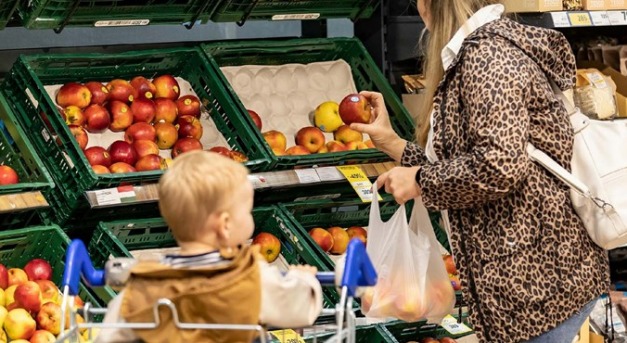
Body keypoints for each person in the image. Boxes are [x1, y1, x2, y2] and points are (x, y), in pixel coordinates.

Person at [351, 0, 610, 342]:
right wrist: (393, 144)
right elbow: (471, 166)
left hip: (536, 286)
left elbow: (499, 165)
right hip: (535, 278)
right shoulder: (481, 51)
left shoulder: (486, 57)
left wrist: (417, 181)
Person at [95, 151, 323, 343]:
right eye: (246, 211)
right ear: (225, 225)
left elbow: (111, 334)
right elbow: (300, 309)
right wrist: (304, 280)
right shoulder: (248, 276)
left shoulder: (145, 283)